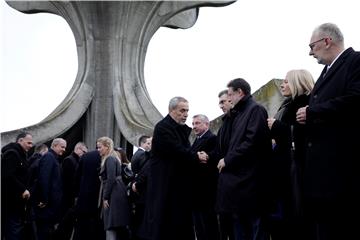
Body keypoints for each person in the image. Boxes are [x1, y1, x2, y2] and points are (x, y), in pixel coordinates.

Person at [296, 23, 360, 240]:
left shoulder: (355, 61)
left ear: (326, 41)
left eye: (311, 45)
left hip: (344, 171)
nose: (310, 52)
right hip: (322, 175)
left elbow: (355, 99)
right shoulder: (325, 72)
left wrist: (312, 111)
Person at [216, 78, 272, 240]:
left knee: (254, 228)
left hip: (251, 182)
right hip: (239, 184)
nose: (229, 99)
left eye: (231, 95)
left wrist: (228, 160)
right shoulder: (239, 113)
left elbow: (251, 141)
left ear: (240, 92)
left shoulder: (255, 110)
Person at [140, 96, 197, 240]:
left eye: (187, 111)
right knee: (164, 224)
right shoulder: (163, 127)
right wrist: (196, 156)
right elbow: (176, 150)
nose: (185, 114)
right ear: (171, 110)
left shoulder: (179, 129)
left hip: (176, 185)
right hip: (165, 185)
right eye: (182, 110)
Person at [267, 69, 314, 240]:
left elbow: (303, 136)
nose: (282, 85)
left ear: (298, 82)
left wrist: (277, 127)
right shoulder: (286, 105)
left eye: (286, 81)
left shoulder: (307, 103)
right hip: (282, 170)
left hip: (298, 170)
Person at [191, 114, 219, 240]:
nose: (194, 127)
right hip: (197, 190)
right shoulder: (197, 140)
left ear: (206, 124)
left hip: (206, 190)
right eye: (193, 124)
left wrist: (207, 156)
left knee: (208, 224)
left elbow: (216, 155)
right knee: (199, 225)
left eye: (197, 123)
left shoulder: (212, 138)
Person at [97, 137, 131, 240]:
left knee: (110, 224)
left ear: (107, 147)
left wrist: (106, 197)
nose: (98, 149)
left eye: (100, 147)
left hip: (113, 193)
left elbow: (111, 178)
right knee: (114, 224)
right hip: (116, 191)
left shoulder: (110, 158)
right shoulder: (113, 157)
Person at [1, 132, 33, 240]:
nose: (31, 145)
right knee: (13, 230)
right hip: (11, 201)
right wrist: (23, 189)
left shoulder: (21, 155)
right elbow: (7, 175)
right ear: (20, 141)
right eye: (28, 142)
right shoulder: (12, 153)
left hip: (17, 201)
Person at [34, 138, 66, 240]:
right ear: (55, 145)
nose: (64, 149)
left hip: (50, 205)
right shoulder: (49, 157)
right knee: (44, 232)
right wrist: (44, 199)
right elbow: (44, 179)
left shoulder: (53, 158)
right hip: (47, 206)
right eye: (62, 147)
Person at [54, 142, 88, 240]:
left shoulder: (74, 160)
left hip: (70, 198)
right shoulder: (69, 160)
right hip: (68, 199)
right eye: (84, 152)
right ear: (78, 149)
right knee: (65, 225)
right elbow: (68, 183)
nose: (85, 154)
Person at [73, 150, 105, 240]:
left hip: (84, 196)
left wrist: (76, 194)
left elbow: (77, 176)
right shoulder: (108, 156)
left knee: (82, 227)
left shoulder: (86, 156)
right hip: (99, 197)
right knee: (97, 226)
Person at [130, 135, 152, 240]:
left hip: (137, 187)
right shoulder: (142, 154)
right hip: (141, 189)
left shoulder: (136, 154)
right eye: (148, 143)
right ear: (143, 144)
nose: (149, 146)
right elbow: (143, 172)